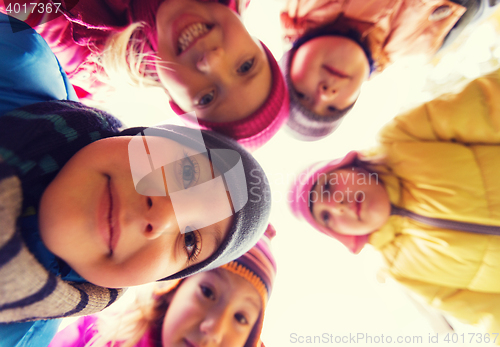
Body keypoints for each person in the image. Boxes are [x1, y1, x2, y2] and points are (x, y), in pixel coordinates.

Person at [0, 14, 271, 346]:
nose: (158, 216)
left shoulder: (21, 338)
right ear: (141, 136)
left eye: (189, 242)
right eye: (186, 172)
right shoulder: (17, 59)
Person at [288, 68, 500, 338]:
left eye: (329, 186)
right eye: (327, 218)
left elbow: (489, 105)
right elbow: (489, 313)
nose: (338, 207)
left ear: (349, 167)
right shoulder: (405, 271)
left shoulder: (404, 137)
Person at [0, 0, 289, 150]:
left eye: (207, 97)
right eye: (246, 67)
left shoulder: (80, 53)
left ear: (175, 102)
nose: (211, 61)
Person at [279, 0, 499, 140]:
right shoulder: (419, 48)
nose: (326, 94)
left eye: (302, 95)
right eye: (333, 108)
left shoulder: (304, 4)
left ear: (288, 63)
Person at [48, 225, 277, 347]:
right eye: (207, 292)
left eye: (241, 318)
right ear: (172, 292)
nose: (213, 329)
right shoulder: (94, 335)